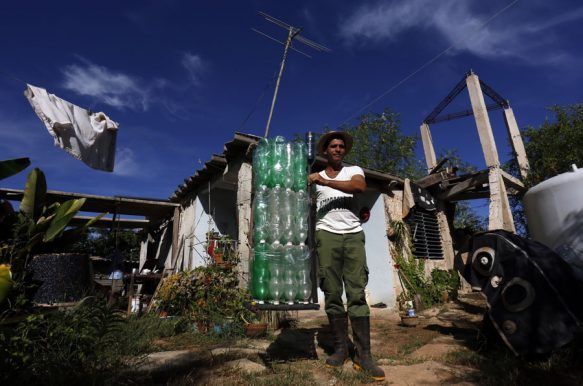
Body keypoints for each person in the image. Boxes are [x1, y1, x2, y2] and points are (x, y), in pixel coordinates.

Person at [308, 131, 385, 381]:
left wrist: (324, 182)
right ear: (325, 150)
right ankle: (341, 349)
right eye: (333, 146)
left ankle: (364, 356)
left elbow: (358, 187)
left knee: (356, 292)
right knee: (331, 291)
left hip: (352, 234)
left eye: (341, 146)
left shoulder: (354, 170)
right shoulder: (315, 176)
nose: (338, 149)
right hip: (325, 234)